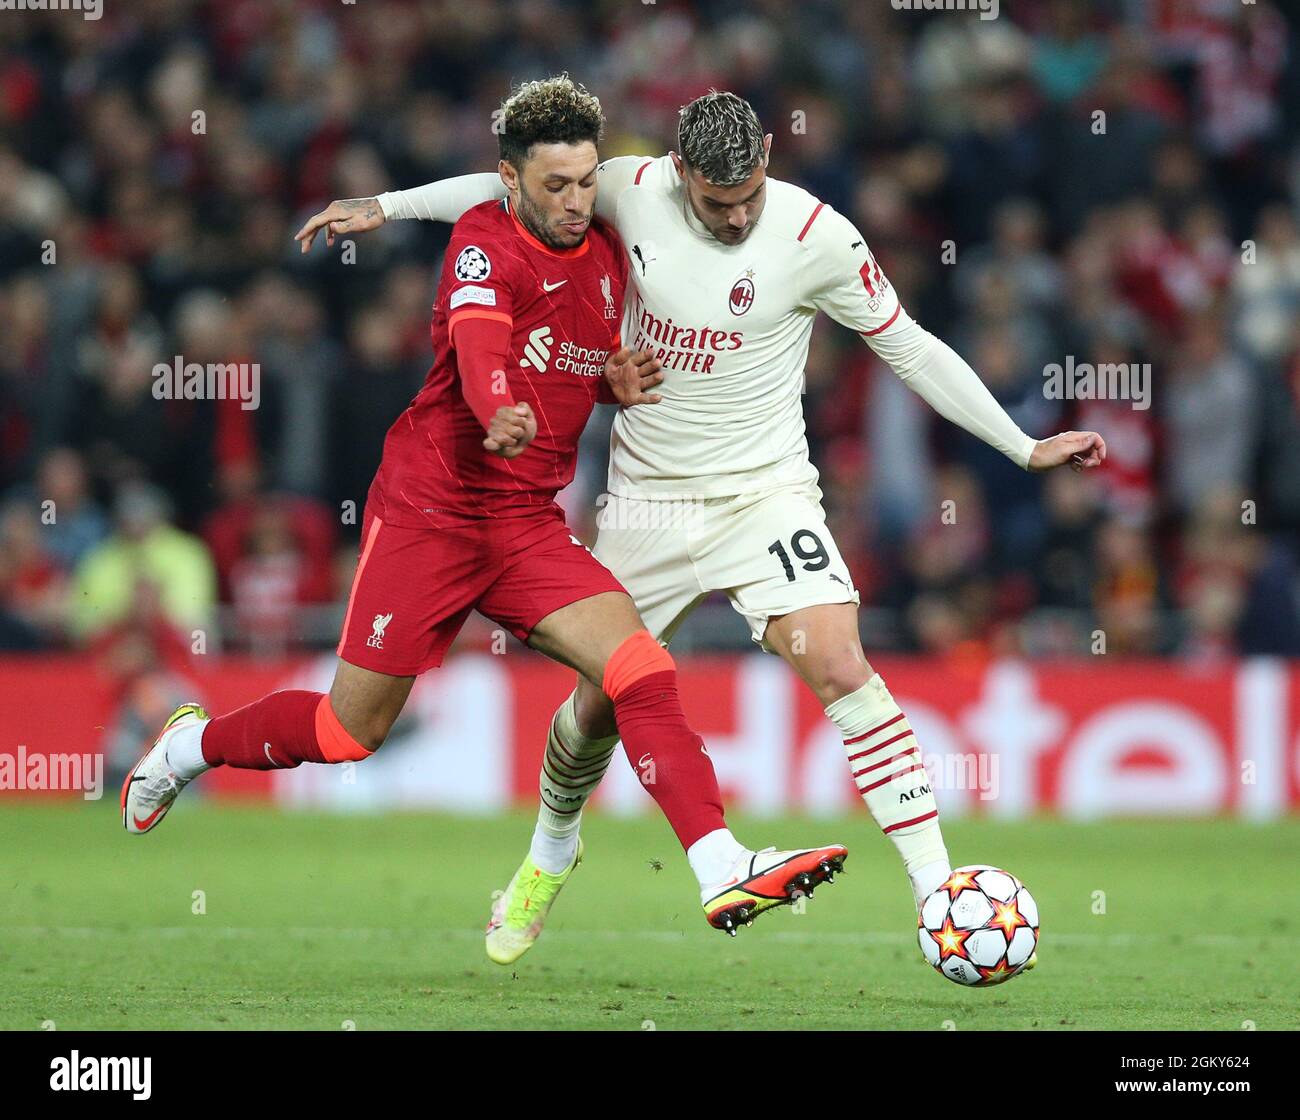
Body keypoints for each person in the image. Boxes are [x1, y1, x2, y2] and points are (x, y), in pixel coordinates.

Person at [295, 88, 1105, 962]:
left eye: (750, 192)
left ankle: (935, 887)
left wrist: (1022, 447)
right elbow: (504, 194)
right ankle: (549, 851)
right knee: (599, 708)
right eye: (718, 203)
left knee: (837, 657)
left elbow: (907, 343)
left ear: (766, 156)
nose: (738, 214)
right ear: (679, 175)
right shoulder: (625, 188)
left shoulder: (818, 236)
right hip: (648, 499)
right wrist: (389, 206)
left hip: (766, 495)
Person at [123, 78, 848, 963]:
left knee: (641, 670)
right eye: (556, 186)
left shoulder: (612, 249)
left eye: (587, 181)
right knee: (349, 732)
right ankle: (187, 749)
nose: (577, 201)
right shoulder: (483, 242)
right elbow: (479, 343)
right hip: (431, 511)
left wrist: (606, 381)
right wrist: (497, 402)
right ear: (510, 182)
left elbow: (573, 353)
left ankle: (718, 862)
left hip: (523, 523)